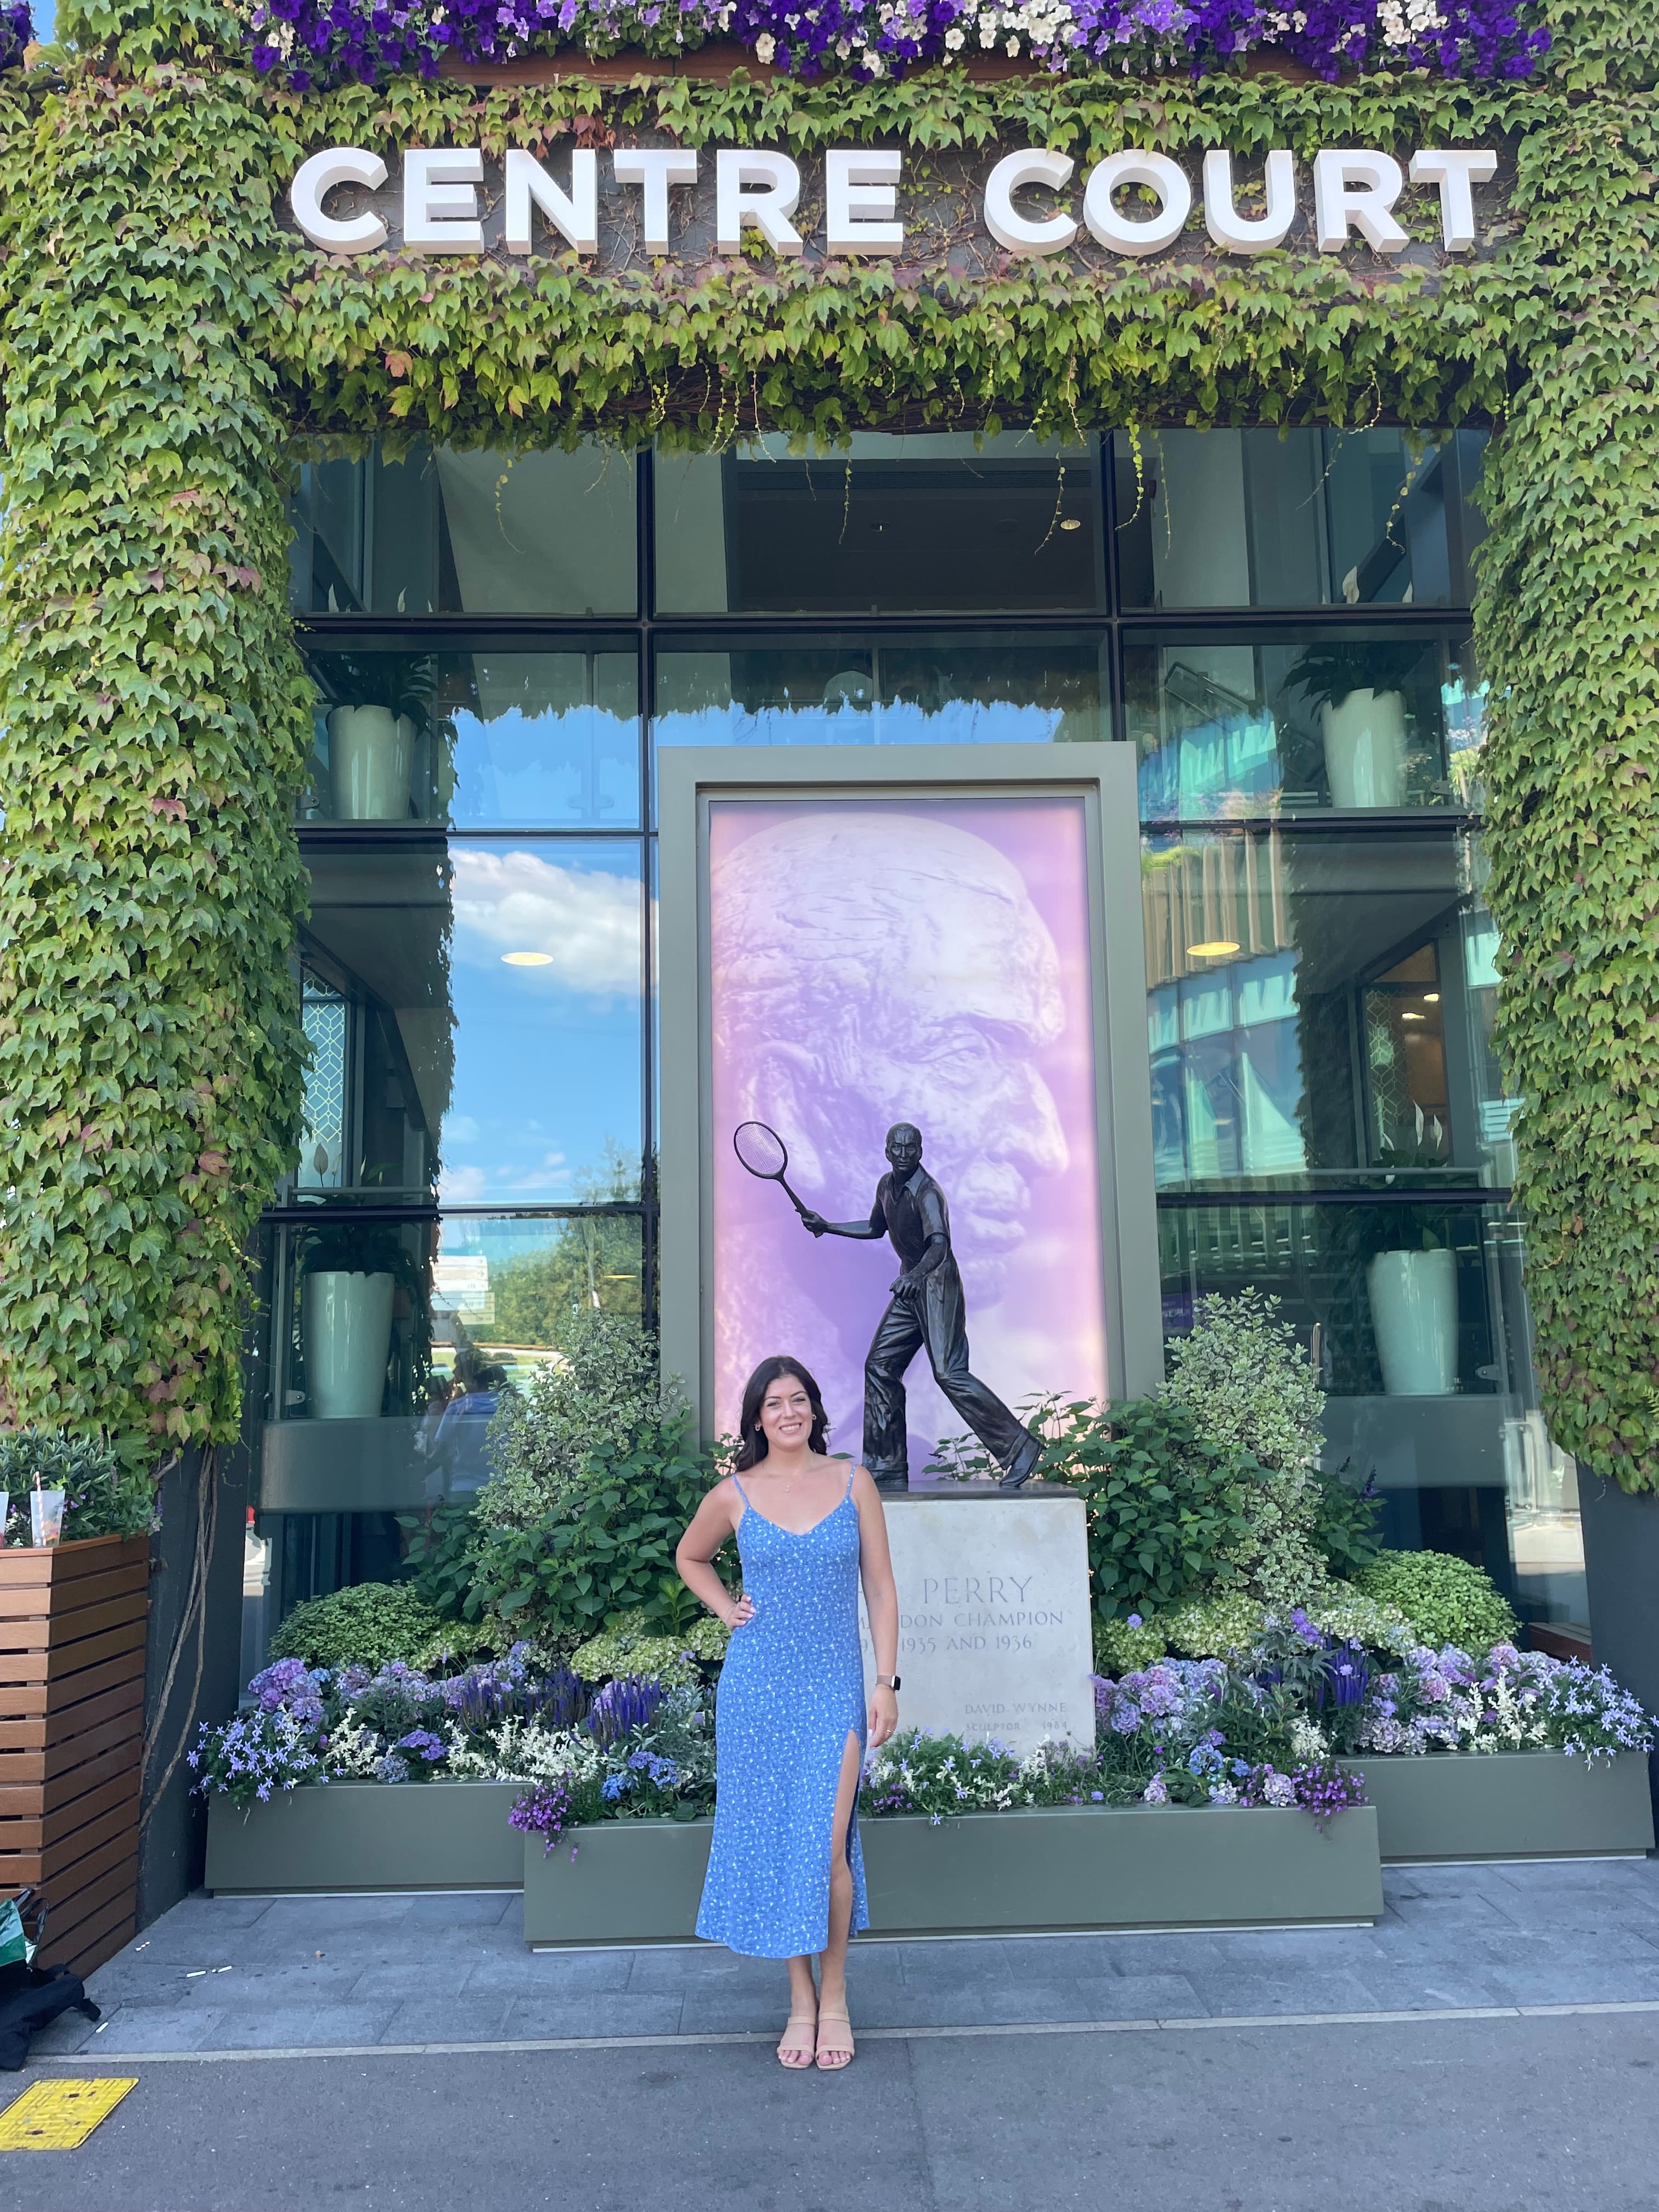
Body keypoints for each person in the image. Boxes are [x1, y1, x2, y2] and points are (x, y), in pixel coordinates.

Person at [675, 1355, 900, 2072]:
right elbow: (690, 1557)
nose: (788, 1412)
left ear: (814, 1409)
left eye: (798, 1399)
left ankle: (835, 1997)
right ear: (756, 1420)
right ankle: (800, 1999)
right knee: (781, 1846)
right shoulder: (733, 1494)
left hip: (834, 1690)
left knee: (827, 1848)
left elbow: (882, 1588)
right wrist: (724, 1609)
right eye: (773, 1403)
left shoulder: (853, 1483)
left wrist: (887, 1682)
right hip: (757, 1693)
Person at [800, 1120, 1043, 1491]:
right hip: (911, 1285)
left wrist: (915, 1278)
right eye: (895, 1148)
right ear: (886, 1150)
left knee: (948, 1372)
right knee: (880, 1365)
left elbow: (939, 1246)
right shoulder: (886, 1185)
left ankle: (1019, 1448)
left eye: (909, 1149)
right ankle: (885, 1465)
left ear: (920, 1152)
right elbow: (875, 1228)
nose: (901, 1155)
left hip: (936, 1285)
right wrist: (827, 1225)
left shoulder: (928, 1193)